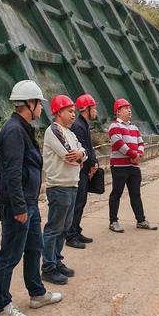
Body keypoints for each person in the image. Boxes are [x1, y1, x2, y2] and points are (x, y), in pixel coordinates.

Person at [0, 80, 61, 316]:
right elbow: (11, 173)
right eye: (39, 104)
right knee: (9, 255)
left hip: (28, 203)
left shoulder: (24, 128)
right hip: (17, 206)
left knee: (34, 248)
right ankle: (1, 306)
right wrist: (20, 207)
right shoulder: (13, 131)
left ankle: (37, 293)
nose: (42, 108)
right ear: (28, 104)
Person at [42, 95, 87, 285]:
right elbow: (70, 155)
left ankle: (57, 260)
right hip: (59, 186)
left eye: (74, 112)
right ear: (58, 112)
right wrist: (80, 156)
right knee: (54, 228)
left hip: (71, 184)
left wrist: (81, 155)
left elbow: (83, 151)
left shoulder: (71, 133)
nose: (73, 115)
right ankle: (48, 267)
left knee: (63, 228)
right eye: (69, 111)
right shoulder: (53, 130)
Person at [108, 98, 157, 233]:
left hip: (134, 167)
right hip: (119, 167)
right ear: (118, 112)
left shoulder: (134, 128)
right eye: (125, 108)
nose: (129, 110)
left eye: (129, 108)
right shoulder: (114, 126)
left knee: (135, 194)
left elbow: (141, 143)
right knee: (116, 194)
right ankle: (113, 221)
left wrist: (139, 155)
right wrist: (133, 155)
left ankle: (141, 220)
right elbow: (118, 143)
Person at [66, 94, 98, 249]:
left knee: (81, 202)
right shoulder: (79, 125)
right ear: (87, 108)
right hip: (81, 170)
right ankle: (71, 236)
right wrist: (93, 163)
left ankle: (76, 230)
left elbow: (89, 148)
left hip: (85, 168)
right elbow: (83, 147)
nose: (96, 110)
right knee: (77, 203)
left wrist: (95, 163)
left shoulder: (83, 124)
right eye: (94, 107)